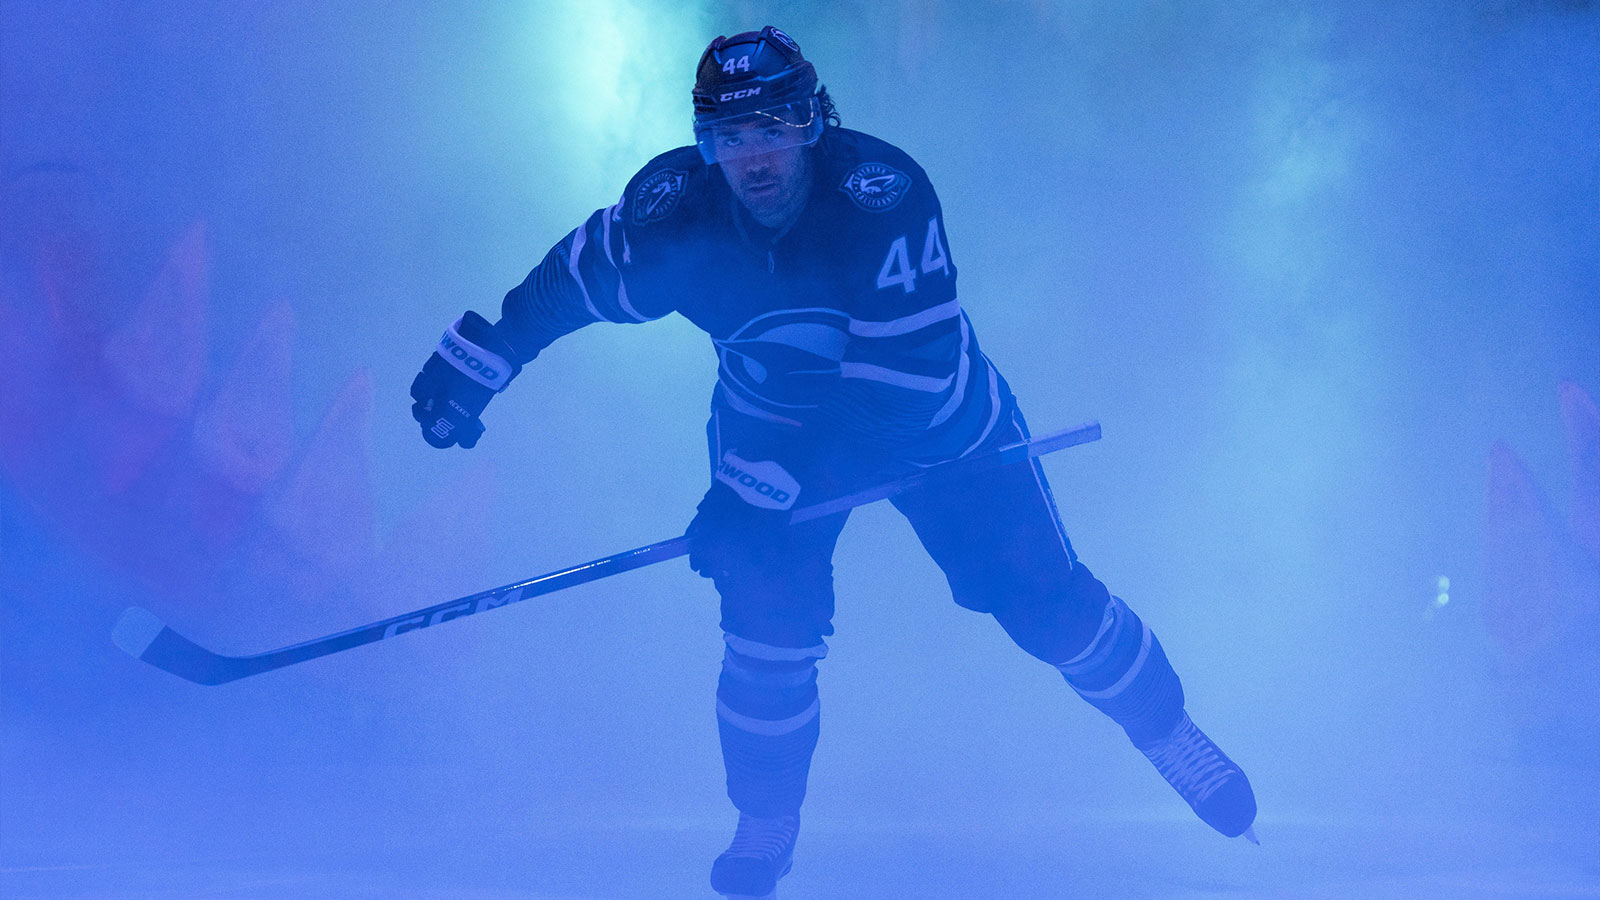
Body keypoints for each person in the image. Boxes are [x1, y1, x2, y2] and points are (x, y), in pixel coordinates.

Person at [410, 26, 1256, 900]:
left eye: (774, 127)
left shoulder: (880, 200)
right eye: (731, 139)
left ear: (814, 121)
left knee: (1045, 604)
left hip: (940, 429)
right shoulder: (680, 213)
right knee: (764, 631)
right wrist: (487, 357)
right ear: (708, 146)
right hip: (767, 423)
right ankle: (765, 818)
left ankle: (1167, 730)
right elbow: (575, 280)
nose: (755, 160)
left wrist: (755, 483)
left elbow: (898, 387)